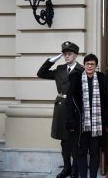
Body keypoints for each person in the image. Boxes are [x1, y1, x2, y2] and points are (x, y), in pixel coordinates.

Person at [37, 41, 83, 178]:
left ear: (76, 55)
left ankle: (75, 170)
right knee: (64, 140)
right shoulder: (60, 69)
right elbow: (41, 73)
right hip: (61, 108)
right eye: (64, 54)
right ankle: (66, 168)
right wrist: (52, 60)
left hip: (75, 108)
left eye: (69, 54)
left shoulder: (81, 70)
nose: (67, 56)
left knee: (75, 140)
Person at [65, 54, 108, 178]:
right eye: (87, 64)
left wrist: (106, 120)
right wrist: (70, 120)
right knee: (81, 153)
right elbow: (69, 101)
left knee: (95, 152)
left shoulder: (101, 79)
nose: (90, 66)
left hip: (96, 124)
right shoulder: (76, 78)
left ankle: (93, 176)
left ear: (96, 66)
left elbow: (106, 102)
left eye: (92, 64)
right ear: (84, 65)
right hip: (80, 124)